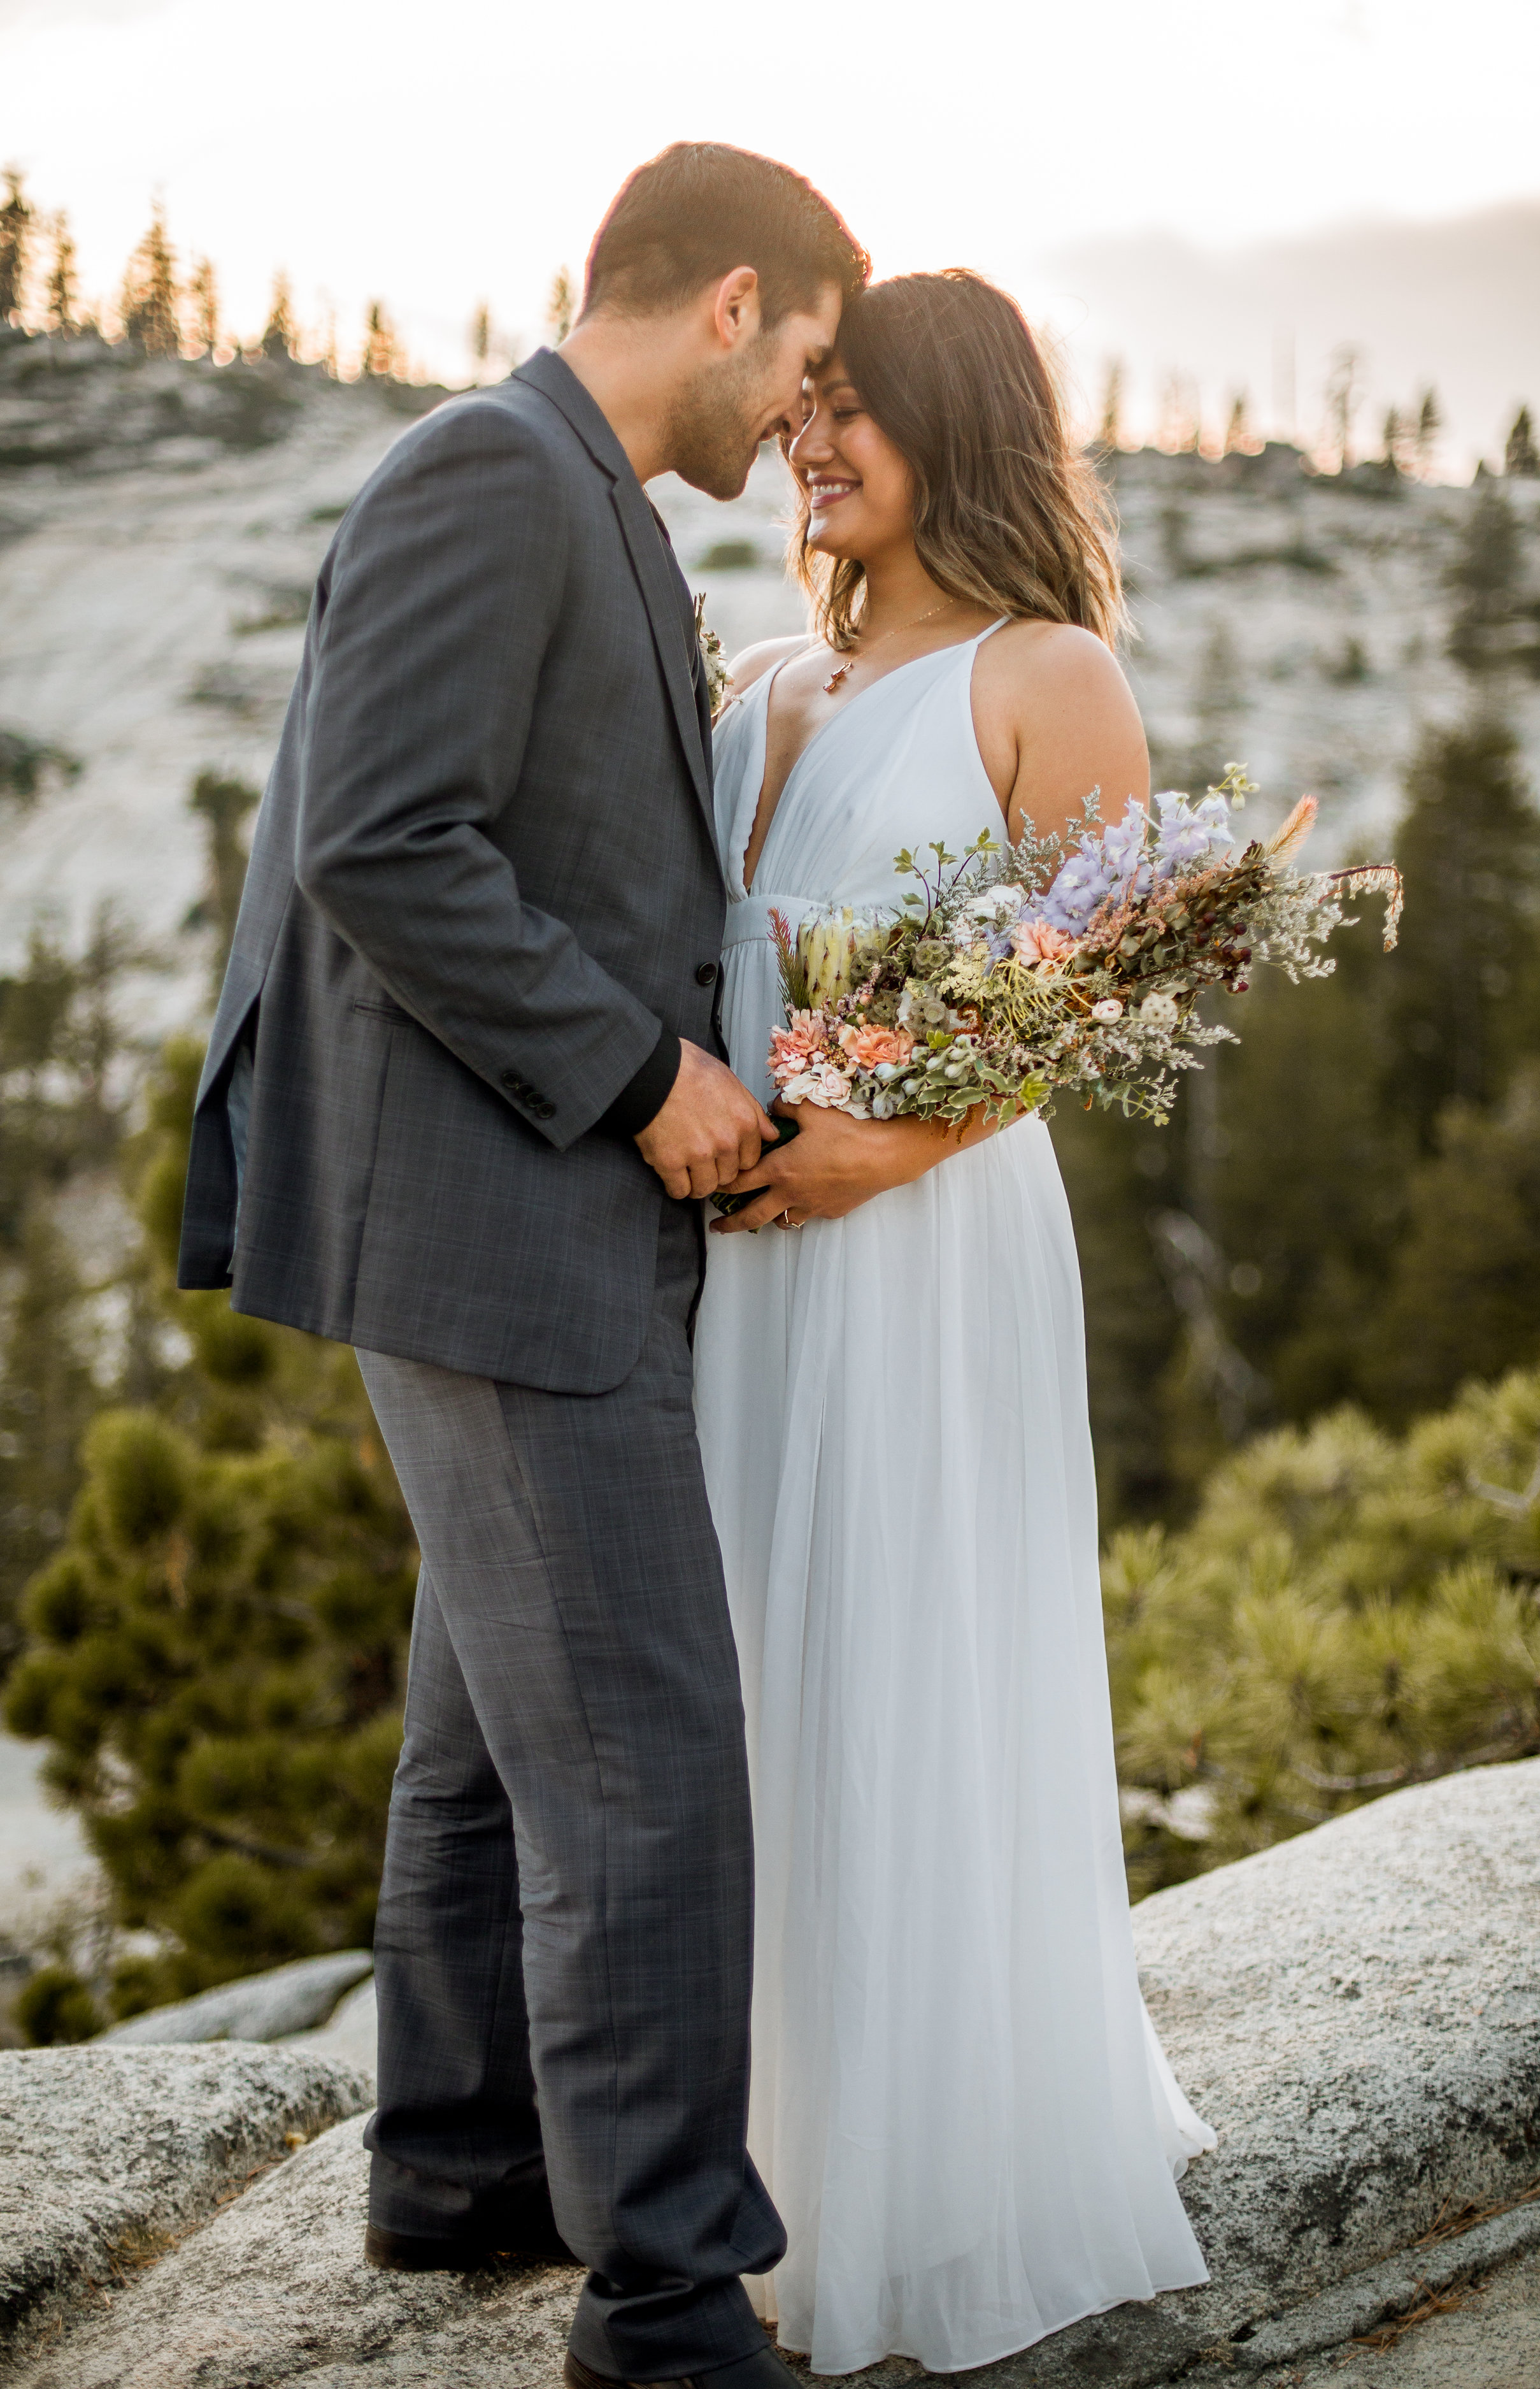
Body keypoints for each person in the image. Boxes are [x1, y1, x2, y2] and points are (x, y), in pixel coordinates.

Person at [175, 142, 867, 2389]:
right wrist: (638, 1074)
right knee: (649, 1755)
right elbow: (383, 835)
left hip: (500, 1209)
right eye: (808, 368)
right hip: (490, 1209)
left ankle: (457, 2169)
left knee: (487, 1732)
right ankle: (665, 2306)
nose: (801, 418)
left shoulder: (581, 498)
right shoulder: (492, 470)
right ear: (734, 297)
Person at [696, 269, 1216, 2377]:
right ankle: (741, 2155)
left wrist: (878, 1156)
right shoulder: (751, 678)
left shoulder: (1045, 670)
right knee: (739, 1673)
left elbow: (1093, 993)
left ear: (956, 427)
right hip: (729, 1252)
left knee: (908, 1656)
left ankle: (937, 2164)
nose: (808, 445)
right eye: (800, 409)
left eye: (854, 413)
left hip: (921, 1248)